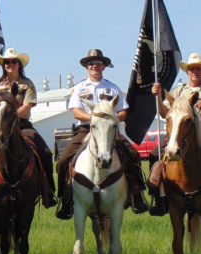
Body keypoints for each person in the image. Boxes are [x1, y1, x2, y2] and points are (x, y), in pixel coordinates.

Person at [55, 49, 148, 220]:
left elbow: (123, 112)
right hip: (86, 129)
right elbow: (76, 112)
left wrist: (110, 120)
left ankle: (137, 195)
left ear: (104, 66)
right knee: (62, 161)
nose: (94, 66)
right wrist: (95, 119)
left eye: (98, 63)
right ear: (86, 67)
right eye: (91, 63)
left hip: (110, 130)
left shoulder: (113, 88)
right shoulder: (79, 88)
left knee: (133, 154)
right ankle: (65, 199)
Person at [149, 52, 201, 219]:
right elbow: (165, 113)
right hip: (181, 131)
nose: (195, 71)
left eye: (198, 68)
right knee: (154, 154)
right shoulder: (179, 91)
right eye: (192, 69)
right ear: (187, 72)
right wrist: (157, 97)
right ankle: (159, 198)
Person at [0, 48, 57, 208]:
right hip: (0, 126)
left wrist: (10, 117)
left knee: (45, 153)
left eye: (14, 61)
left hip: (23, 125)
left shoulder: (27, 84)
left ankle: (48, 191)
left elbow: (27, 107)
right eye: (6, 62)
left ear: (19, 64)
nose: (10, 64)